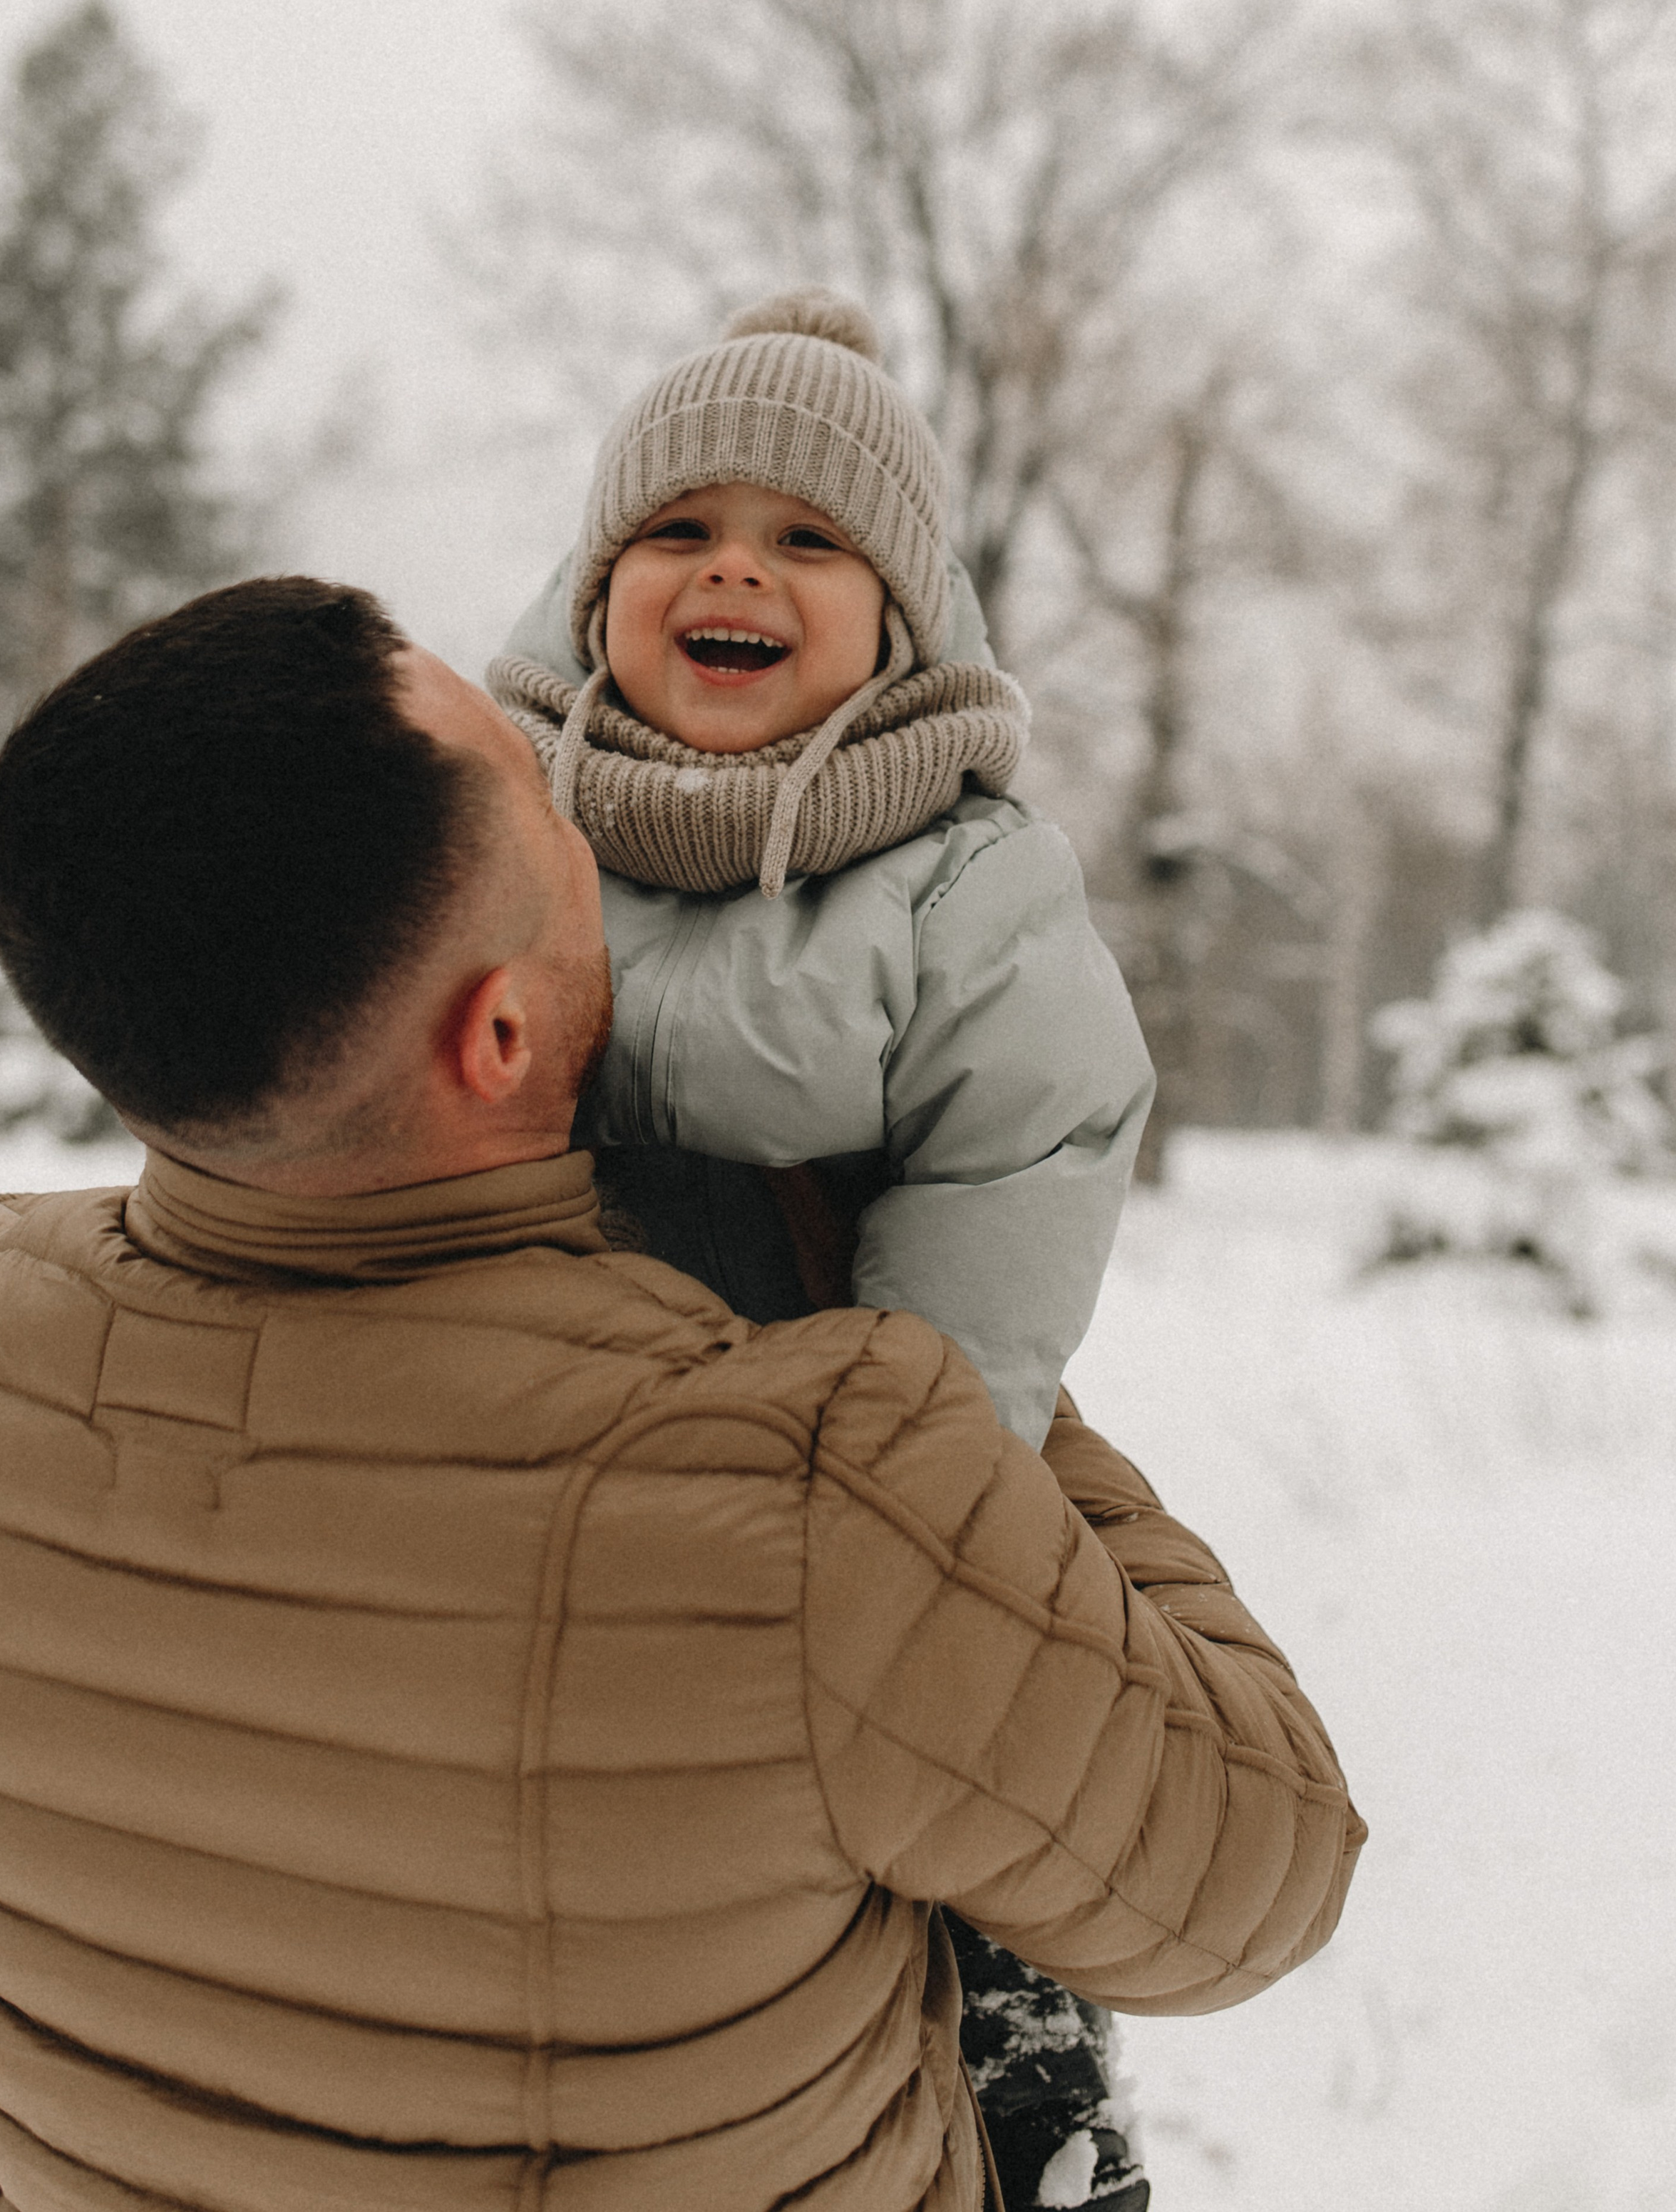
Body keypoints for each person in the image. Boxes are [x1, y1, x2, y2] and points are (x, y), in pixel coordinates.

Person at [0, 577, 1363, 2211]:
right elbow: (1253, 1871)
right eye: (538, 793)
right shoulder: (812, 1492)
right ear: (495, 1033)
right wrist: (949, 1331)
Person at [490, 291, 1156, 2203]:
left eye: (808, 538)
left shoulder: (966, 873)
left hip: (846, 1422)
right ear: (598, 580)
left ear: (903, 612)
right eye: (680, 530)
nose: (736, 571)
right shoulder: (496, 815)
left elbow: (1019, 1166)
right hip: (507, 1420)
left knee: (941, 1757)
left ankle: (1010, 2048)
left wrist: (894, 1489)